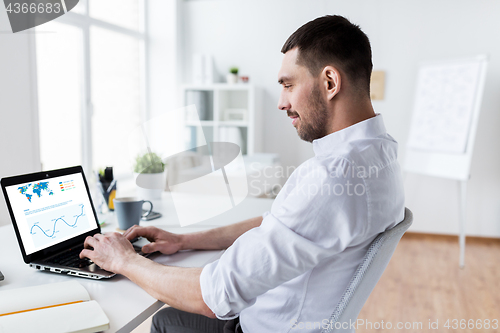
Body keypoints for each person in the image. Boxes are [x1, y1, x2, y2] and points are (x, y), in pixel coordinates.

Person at [80, 15, 405, 333]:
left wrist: (124, 261)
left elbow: (211, 296)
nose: (282, 103)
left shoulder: (332, 178)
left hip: (259, 325)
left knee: (166, 318)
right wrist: (184, 240)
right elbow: (279, 223)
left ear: (330, 82)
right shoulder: (381, 153)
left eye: (288, 85)